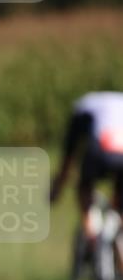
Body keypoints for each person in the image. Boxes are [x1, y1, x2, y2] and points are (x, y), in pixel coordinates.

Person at [50, 91, 123, 245]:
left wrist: (57, 188)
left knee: (84, 186)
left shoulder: (83, 108)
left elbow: (69, 155)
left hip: (99, 152)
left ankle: (91, 232)